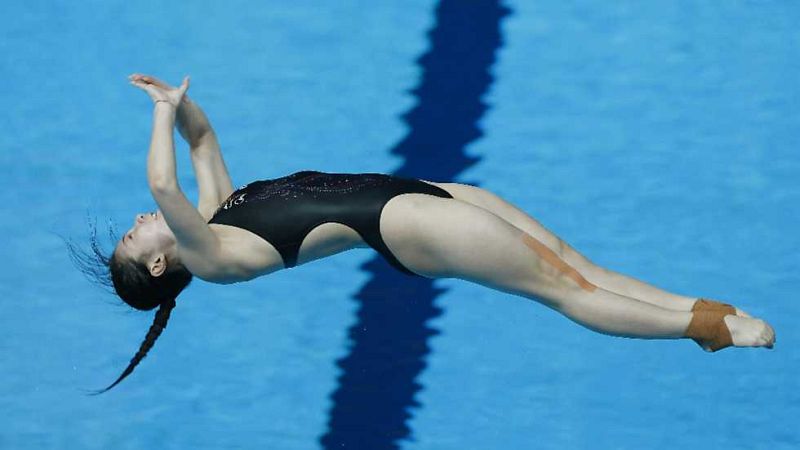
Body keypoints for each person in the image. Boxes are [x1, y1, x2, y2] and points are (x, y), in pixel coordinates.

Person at [72, 74, 776, 394]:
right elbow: (164, 185)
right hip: (403, 223)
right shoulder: (211, 255)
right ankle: (703, 327)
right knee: (565, 290)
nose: (139, 220)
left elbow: (203, 144)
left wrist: (183, 106)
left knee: (571, 262)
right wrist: (159, 116)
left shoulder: (218, 215)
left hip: (419, 194)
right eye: (136, 238)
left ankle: (706, 311)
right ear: (163, 263)